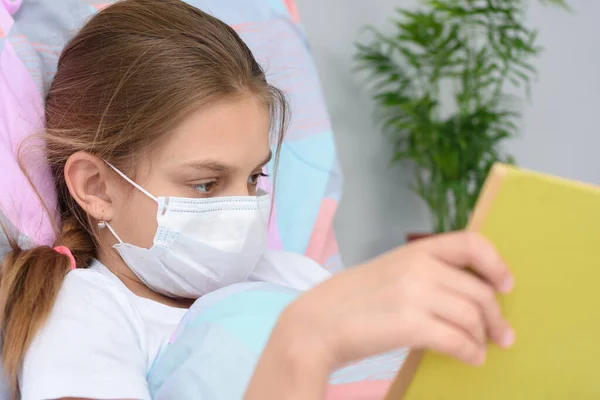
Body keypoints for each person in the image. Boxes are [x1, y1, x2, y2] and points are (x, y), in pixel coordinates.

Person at [0, 0, 515, 399]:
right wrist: (301, 343)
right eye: (205, 184)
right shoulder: (87, 313)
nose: (243, 206)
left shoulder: (295, 278)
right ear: (96, 187)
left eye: (254, 178)